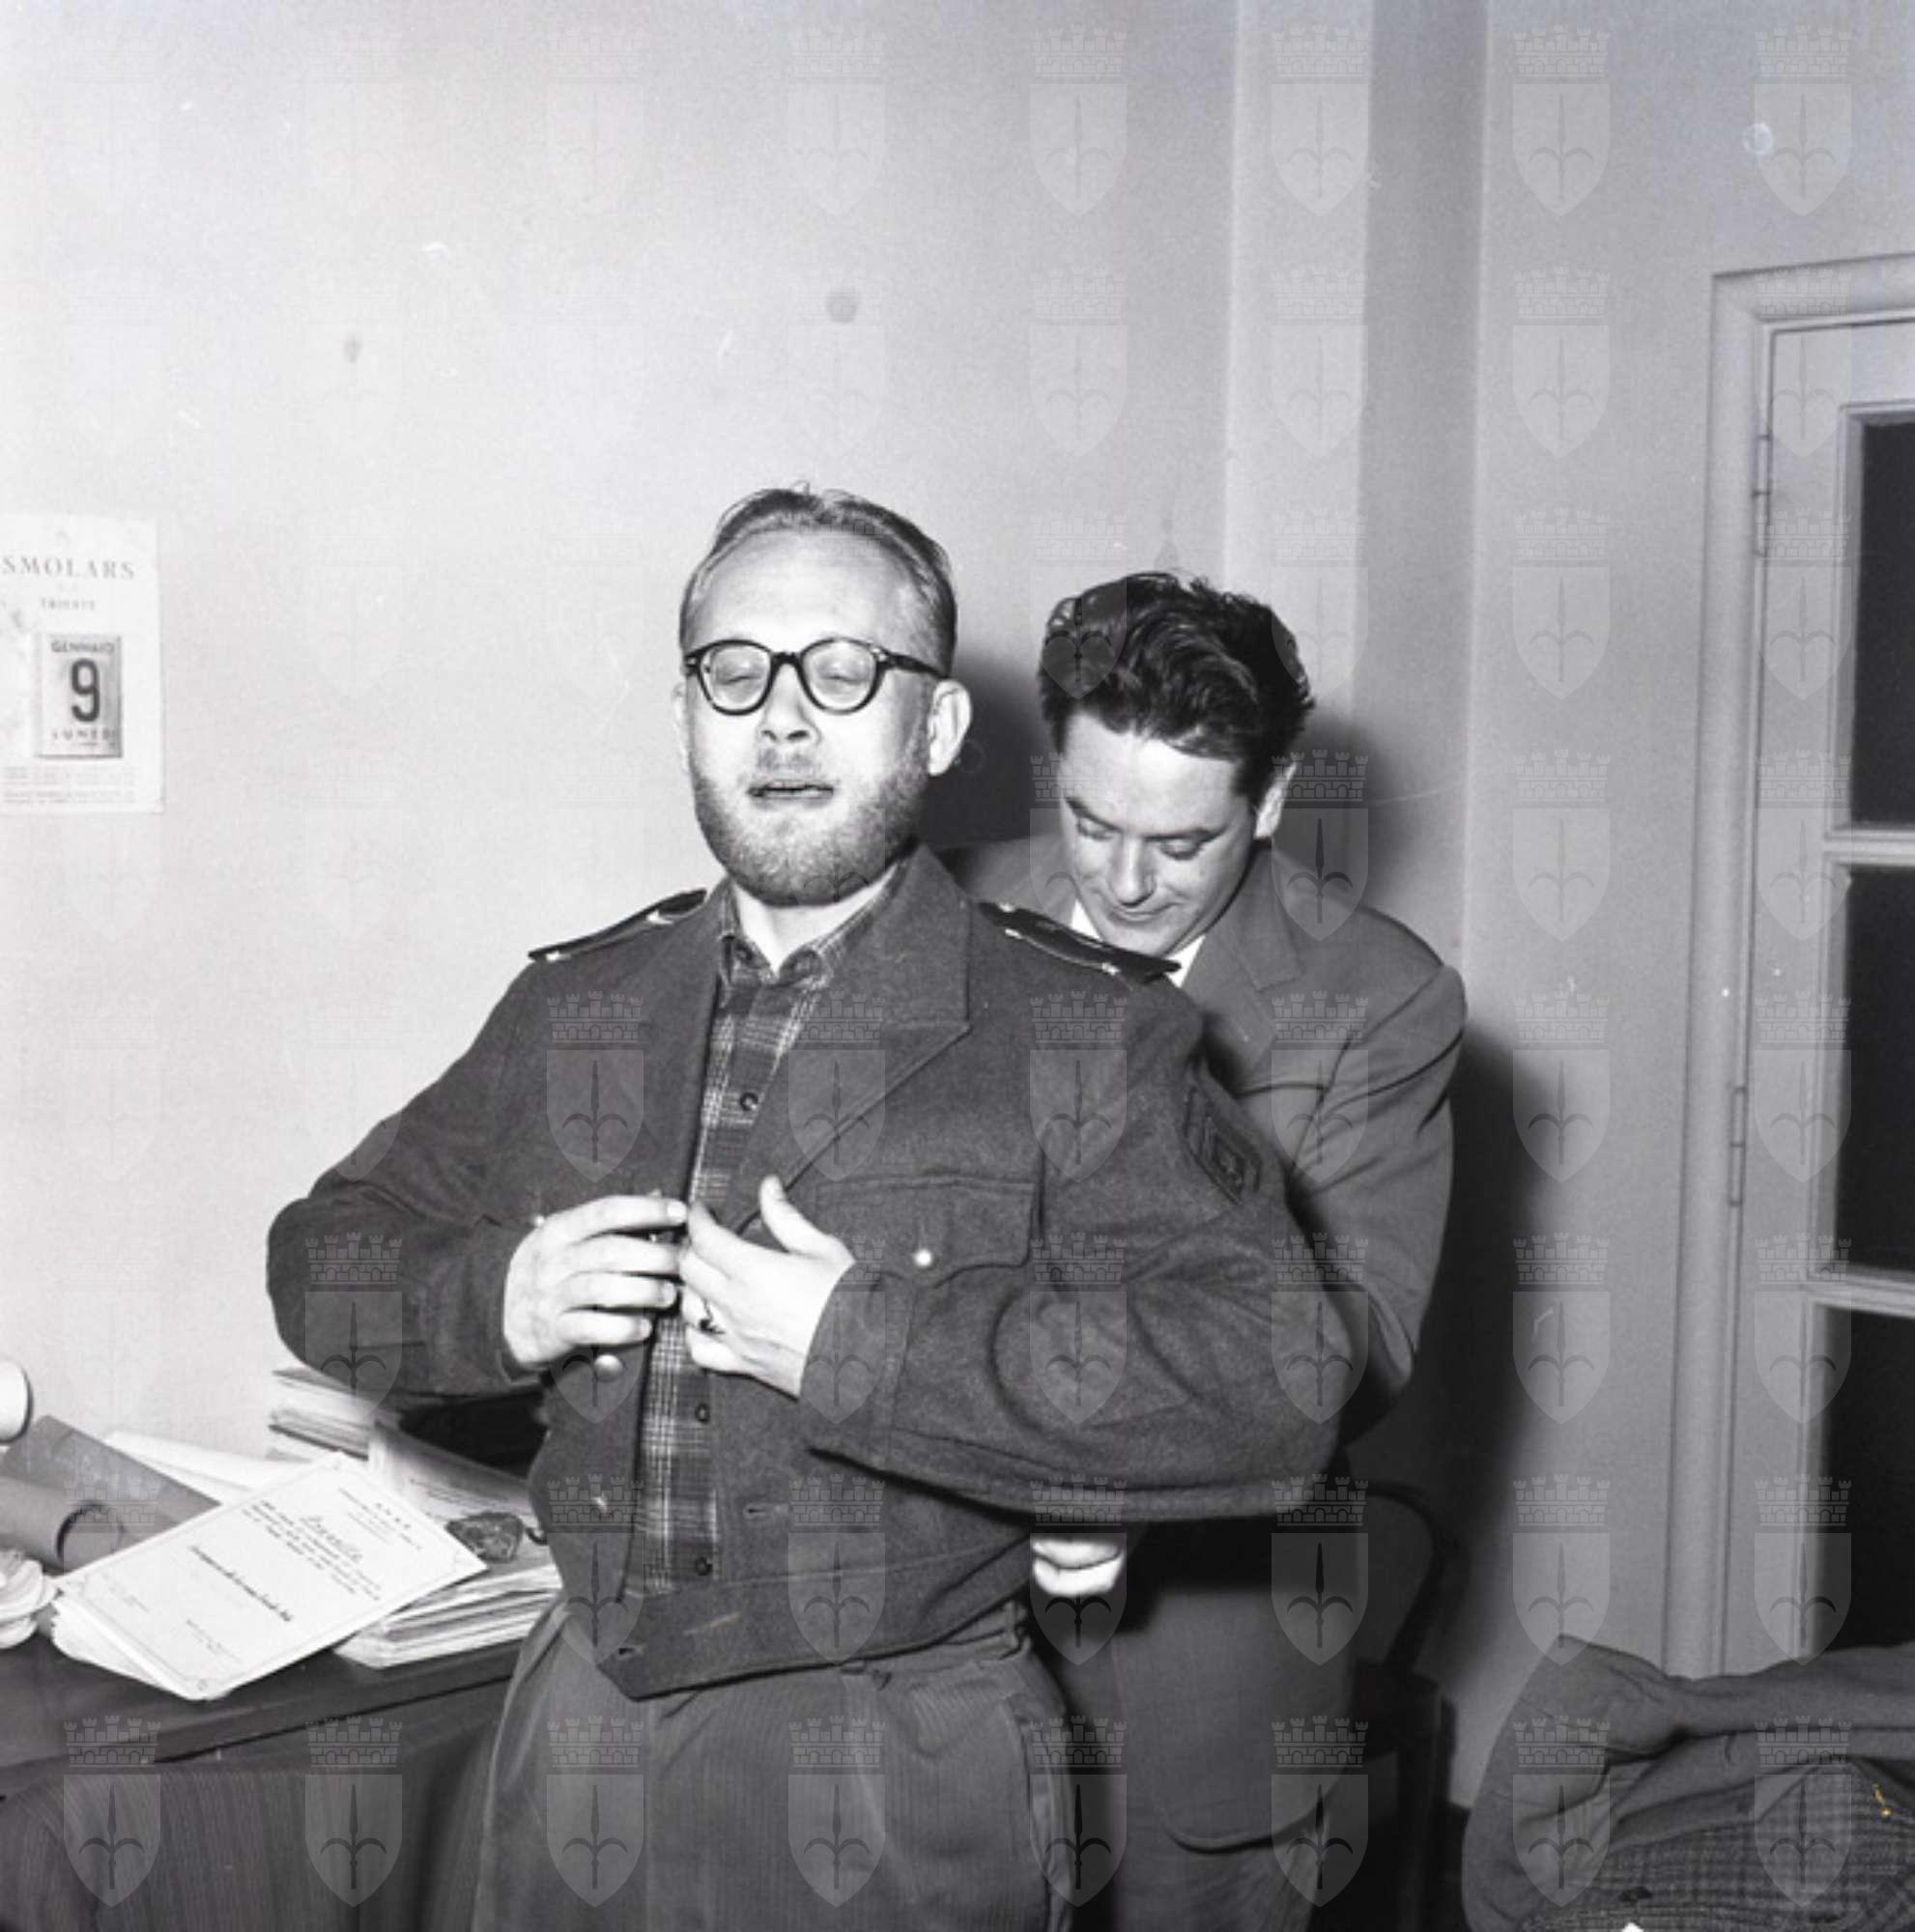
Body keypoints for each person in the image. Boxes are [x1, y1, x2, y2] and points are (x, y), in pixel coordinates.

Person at [268, 494, 1352, 1927]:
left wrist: (860, 1343)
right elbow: (321, 1255)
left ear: (938, 727)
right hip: (582, 1732)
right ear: (685, 716)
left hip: (895, 1769)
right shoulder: (576, 1006)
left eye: (844, 672)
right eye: (735, 672)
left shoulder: (1079, 1031)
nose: (782, 720)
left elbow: (1278, 1378)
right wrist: (496, 1297)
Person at [949, 572, 1465, 1930]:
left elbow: (1358, 1337)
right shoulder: (933, 916)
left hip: (1202, 1684)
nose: (1124, 883)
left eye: (1180, 844)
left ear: (1271, 799)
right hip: (928, 1664)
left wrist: (1124, 1455)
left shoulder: (1377, 997)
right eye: (1089, 822)